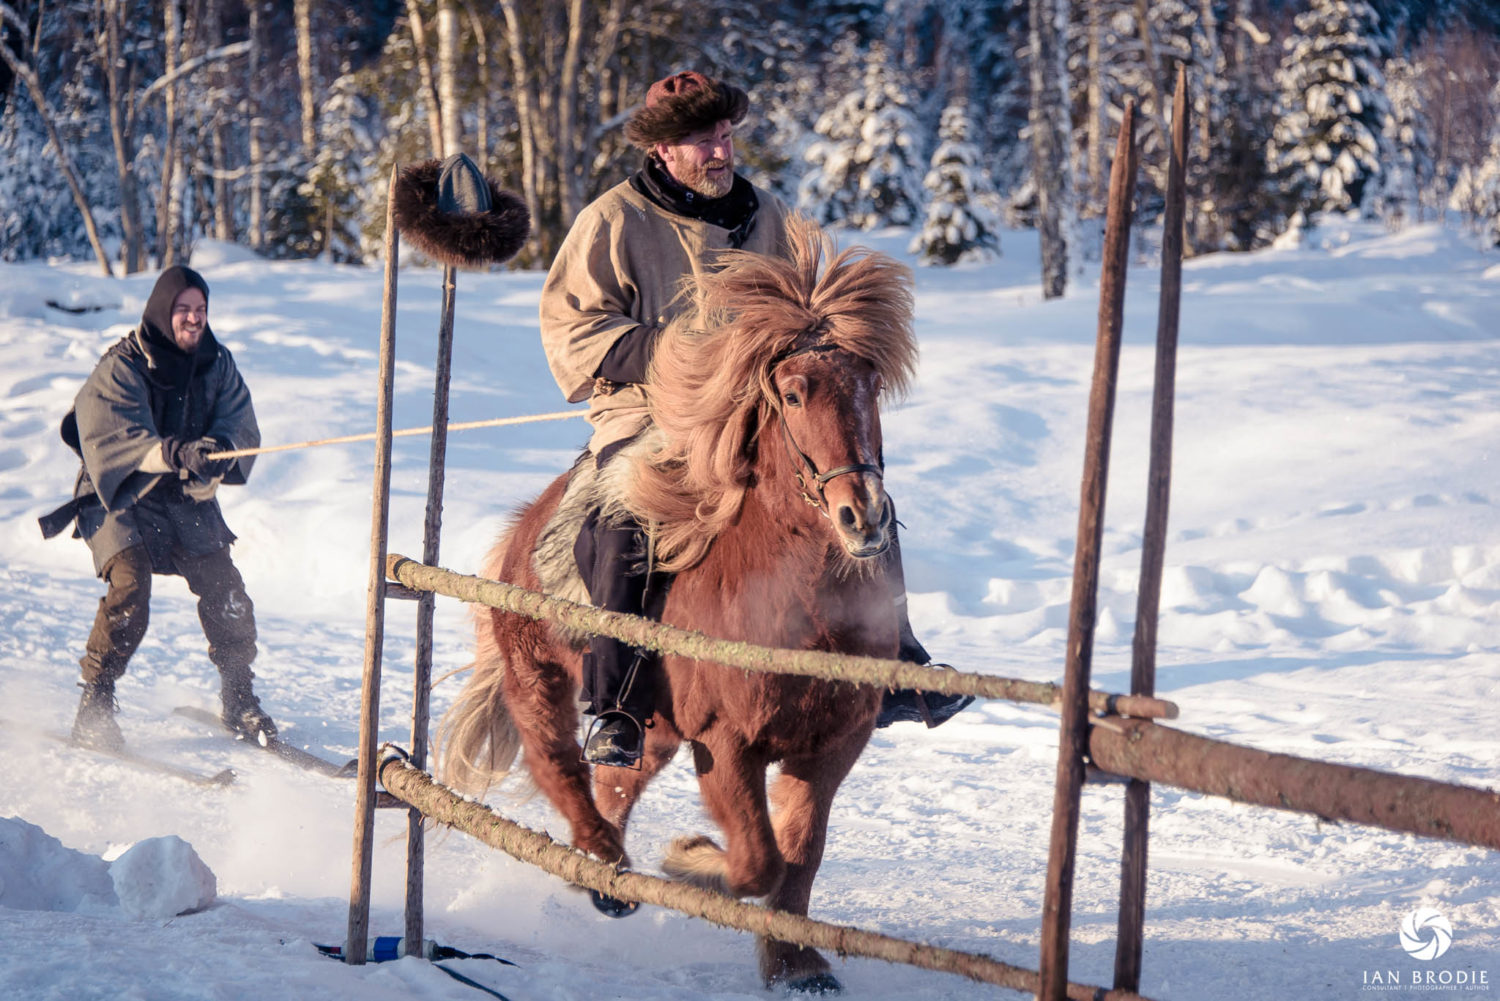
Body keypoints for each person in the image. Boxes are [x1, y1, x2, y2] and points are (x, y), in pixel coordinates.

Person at [539, 71, 970, 768]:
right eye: (700, 140)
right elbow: (572, 330)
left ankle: (897, 663)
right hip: (648, 419)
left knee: (856, 489)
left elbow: (801, 306)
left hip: (751, 414)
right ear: (663, 151)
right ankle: (615, 704)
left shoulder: (765, 214)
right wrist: (674, 352)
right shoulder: (612, 221)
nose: (719, 151)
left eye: (724, 135)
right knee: (619, 525)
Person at [40, 265, 276, 751]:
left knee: (225, 586)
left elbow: (240, 424)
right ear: (162, 311)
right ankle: (96, 702)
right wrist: (169, 453)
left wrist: (214, 450)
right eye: (183, 310)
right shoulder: (124, 363)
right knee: (130, 583)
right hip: (119, 492)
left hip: (181, 496)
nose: (193, 319)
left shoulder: (217, 362)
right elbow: (111, 432)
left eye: (201, 310)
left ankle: (238, 697)